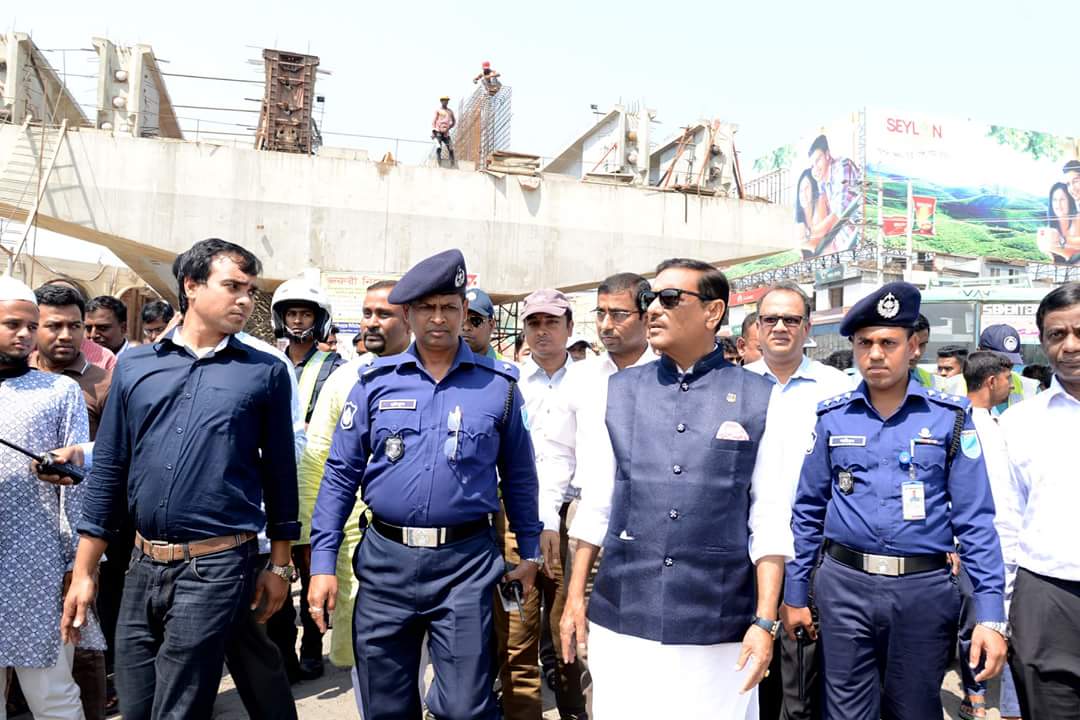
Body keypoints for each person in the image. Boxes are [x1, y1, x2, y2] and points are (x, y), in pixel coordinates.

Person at [63, 238, 300, 719]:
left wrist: (279, 564)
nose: (244, 301)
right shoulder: (134, 367)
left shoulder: (265, 372)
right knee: (136, 704)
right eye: (232, 286)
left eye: (250, 291)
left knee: (179, 708)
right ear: (191, 286)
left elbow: (280, 473)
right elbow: (110, 467)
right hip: (141, 563)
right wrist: (85, 571)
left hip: (215, 565)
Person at [308, 248, 542, 720]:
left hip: (466, 566)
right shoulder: (374, 383)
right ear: (409, 314)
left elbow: (519, 476)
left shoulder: (500, 386)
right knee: (386, 704)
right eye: (427, 308)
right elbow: (339, 475)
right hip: (385, 563)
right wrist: (321, 562)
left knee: (464, 707)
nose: (439, 318)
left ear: (463, 313)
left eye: (450, 308)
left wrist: (530, 552)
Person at [561, 258, 794, 719]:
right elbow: (598, 505)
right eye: (649, 299)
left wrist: (765, 622)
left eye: (670, 299)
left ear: (713, 312)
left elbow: (768, 519)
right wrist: (573, 599)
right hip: (624, 610)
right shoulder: (616, 392)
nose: (653, 310)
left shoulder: (761, 399)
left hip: (718, 619)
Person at [782, 282, 1008, 719]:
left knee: (914, 710)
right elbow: (808, 509)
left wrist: (990, 613)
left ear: (913, 347)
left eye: (888, 342)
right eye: (865, 343)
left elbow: (976, 521)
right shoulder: (833, 416)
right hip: (845, 586)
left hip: (922, 592)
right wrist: (796, 592)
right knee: (844, 712)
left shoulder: (949, 417)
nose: (875, 354)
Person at [538, 272, 654, 717]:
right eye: (601, 313)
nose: (606, 324)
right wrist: (549, 517)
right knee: (581, 632)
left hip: (653, 524)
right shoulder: (582, 377)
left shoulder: (670, 375)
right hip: (587, 525)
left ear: (646, 315)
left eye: (619, 314)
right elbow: (556, 453)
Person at [296, 280, 411, 707]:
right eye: (367, 314)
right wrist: (312, 540)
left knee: (412, 654)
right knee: (366, 651)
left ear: (409, 319)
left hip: (412, 541)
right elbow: (317, 463)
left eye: (383, 314)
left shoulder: (436, 375)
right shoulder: (345, 378)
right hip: (350, 538)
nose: (372, 323)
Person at [743, 281, 851, 720]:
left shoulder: (836, 387)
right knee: (749, 670)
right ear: (758, 327)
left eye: (791, 319)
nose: (781, 327)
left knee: (804, 678)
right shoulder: (735, 386)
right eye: (771, 319)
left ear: (807, 327)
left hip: (817, 549)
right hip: (744, 550)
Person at [0, 274, 100, 720]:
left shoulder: (59, 391)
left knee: (52, 694)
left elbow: (79, 486)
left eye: (29, 324)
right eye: (11, 324)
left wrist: (76, 566)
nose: (23, 335)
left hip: (36, 565)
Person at [495, 288, 584, 720]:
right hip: (518, 523)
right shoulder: (505, 385)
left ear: (570, 328)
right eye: (534, 323)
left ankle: (573, 712)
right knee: (517, 633)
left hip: (573, 523)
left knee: (570, 631)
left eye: (552, 322)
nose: (542, 331)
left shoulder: (595, 382)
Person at [29, 283, 113, 720]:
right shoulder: (16, 380)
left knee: (78, 631)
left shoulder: (105, 381)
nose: (65, 335)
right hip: (23, 530)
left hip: (86, 526)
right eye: (53, 325)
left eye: (74, 326)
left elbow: (119, 452)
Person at [999, 282, 1080, 719]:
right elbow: (1006, 525)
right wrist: (1001, 614)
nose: (1070, 346)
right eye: (1057, 335)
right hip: (1046, 598)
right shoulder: (1020, 423)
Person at [960, 351, 1023, 720]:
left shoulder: (1003, 423)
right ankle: (975, 694)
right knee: (978, 623)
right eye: (1005, 378)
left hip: (1012, 541)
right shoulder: (961, 422)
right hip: (978, 543)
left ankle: (1013, 706)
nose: (1010, 385)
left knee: (1016, 627)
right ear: (990, 381)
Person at [943, 323, 1040, 412]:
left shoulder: (1030, 388)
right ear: (978, 353)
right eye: (999, 362)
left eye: (1011, 362)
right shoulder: (950, 387)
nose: (1005, 367)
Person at [39, 279, 117, 372]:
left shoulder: (106, 361)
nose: (66, 336)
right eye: (55, 326)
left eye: (74, 326)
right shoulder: (22, 357)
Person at [805, 135, 862, 255]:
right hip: (843, 246)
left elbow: (838, 216)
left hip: (861, 242)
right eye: (812, 166)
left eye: (818, 161)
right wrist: (821, 187)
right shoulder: (824, 181)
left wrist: (810, 234)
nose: (815, 169)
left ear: (827, 155)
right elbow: (820, 222)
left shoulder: (842, 166)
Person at [462, 287, 504, 359]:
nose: (466, 327)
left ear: (491, 326)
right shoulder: (442, 366)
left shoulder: (503, 368)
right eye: (461, 319)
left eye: (475, 320)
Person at [794, 168, 826, 256]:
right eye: (800, 191)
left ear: (814, 187)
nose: (803, 194)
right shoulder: (799, 222)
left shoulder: (821, 203)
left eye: (807, 188)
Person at [432, 96, 456, 164]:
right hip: (438, 131)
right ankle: (439, 160)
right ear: (441, 101)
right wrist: (434, 131)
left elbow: (454, 121)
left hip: (446, 133)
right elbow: (434, 121)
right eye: (444, 101)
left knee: (450, 147)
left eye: (447, 101)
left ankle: (452, 162)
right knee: (439, 146)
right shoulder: (438, 110)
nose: (445, 102)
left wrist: (449, 127)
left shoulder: (450, 111)